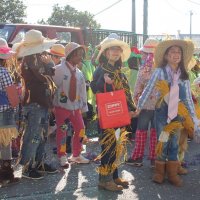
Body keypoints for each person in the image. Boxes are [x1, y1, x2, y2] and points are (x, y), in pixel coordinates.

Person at [132, 39, 200, 187]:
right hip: (162, 113)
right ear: (166, 56)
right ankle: (159, 172)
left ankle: (173, 174)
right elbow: (148, 89)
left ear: (181, 56)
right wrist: (139, 107)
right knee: (162, 141)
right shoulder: (159, 72)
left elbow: (188, 97)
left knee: (174, 143)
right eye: (172, 52)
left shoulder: (184, 75)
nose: (176, 55)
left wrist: (194, 118)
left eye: (178, 52)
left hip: (178, 114)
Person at [90, 34, 135, 191]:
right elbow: (94, 88)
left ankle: (114, 177)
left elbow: (126, 91)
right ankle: (104, 179)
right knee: (108, 148)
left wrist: (132, 108)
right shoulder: (100, 70)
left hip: (119, 115)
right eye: (112, 49)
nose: (115, 52)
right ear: (106, 52)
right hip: (107, 116)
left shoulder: (118, 70)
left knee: (117, 146)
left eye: (118, 49)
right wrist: (105, 82)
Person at [13, 29, 58, 179]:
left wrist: (48, 64)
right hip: (35, 103)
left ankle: (39, 162)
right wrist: (48, 64)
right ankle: (27, 166)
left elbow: (50, 73)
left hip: (41, 102)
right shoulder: (30, 59)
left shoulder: (37, 57)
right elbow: (42, 76)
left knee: (41, 135)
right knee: (33, 135)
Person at [53, 42, 90, 167]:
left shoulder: (79, 73)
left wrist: (83, 107)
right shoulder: (59, 70)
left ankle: (76, 154)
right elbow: (53, 87)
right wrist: (51, 105)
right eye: (78, 55)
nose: (80, 58)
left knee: (80, 129)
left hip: (75, 108)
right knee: (62, 131)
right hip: (62, 107)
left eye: (81, 55)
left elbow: (83, 91)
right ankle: (62, 155)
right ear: (69, 55)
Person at [126, 38, 159, 167]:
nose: (142, 55)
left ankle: (138, 157)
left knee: (141, 130)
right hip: (159, 105)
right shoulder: (162, 69)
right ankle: (154, 159)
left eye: (144, 53)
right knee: (156, 132)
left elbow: (138, 88)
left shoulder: (143, 69)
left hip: (144, 105)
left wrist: (135, 104)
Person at [0, 38, 20, 187]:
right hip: (4, 113)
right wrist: (15, 105)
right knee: (5, 144)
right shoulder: (3, 72)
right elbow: (12, 95)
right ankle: (6, 175)